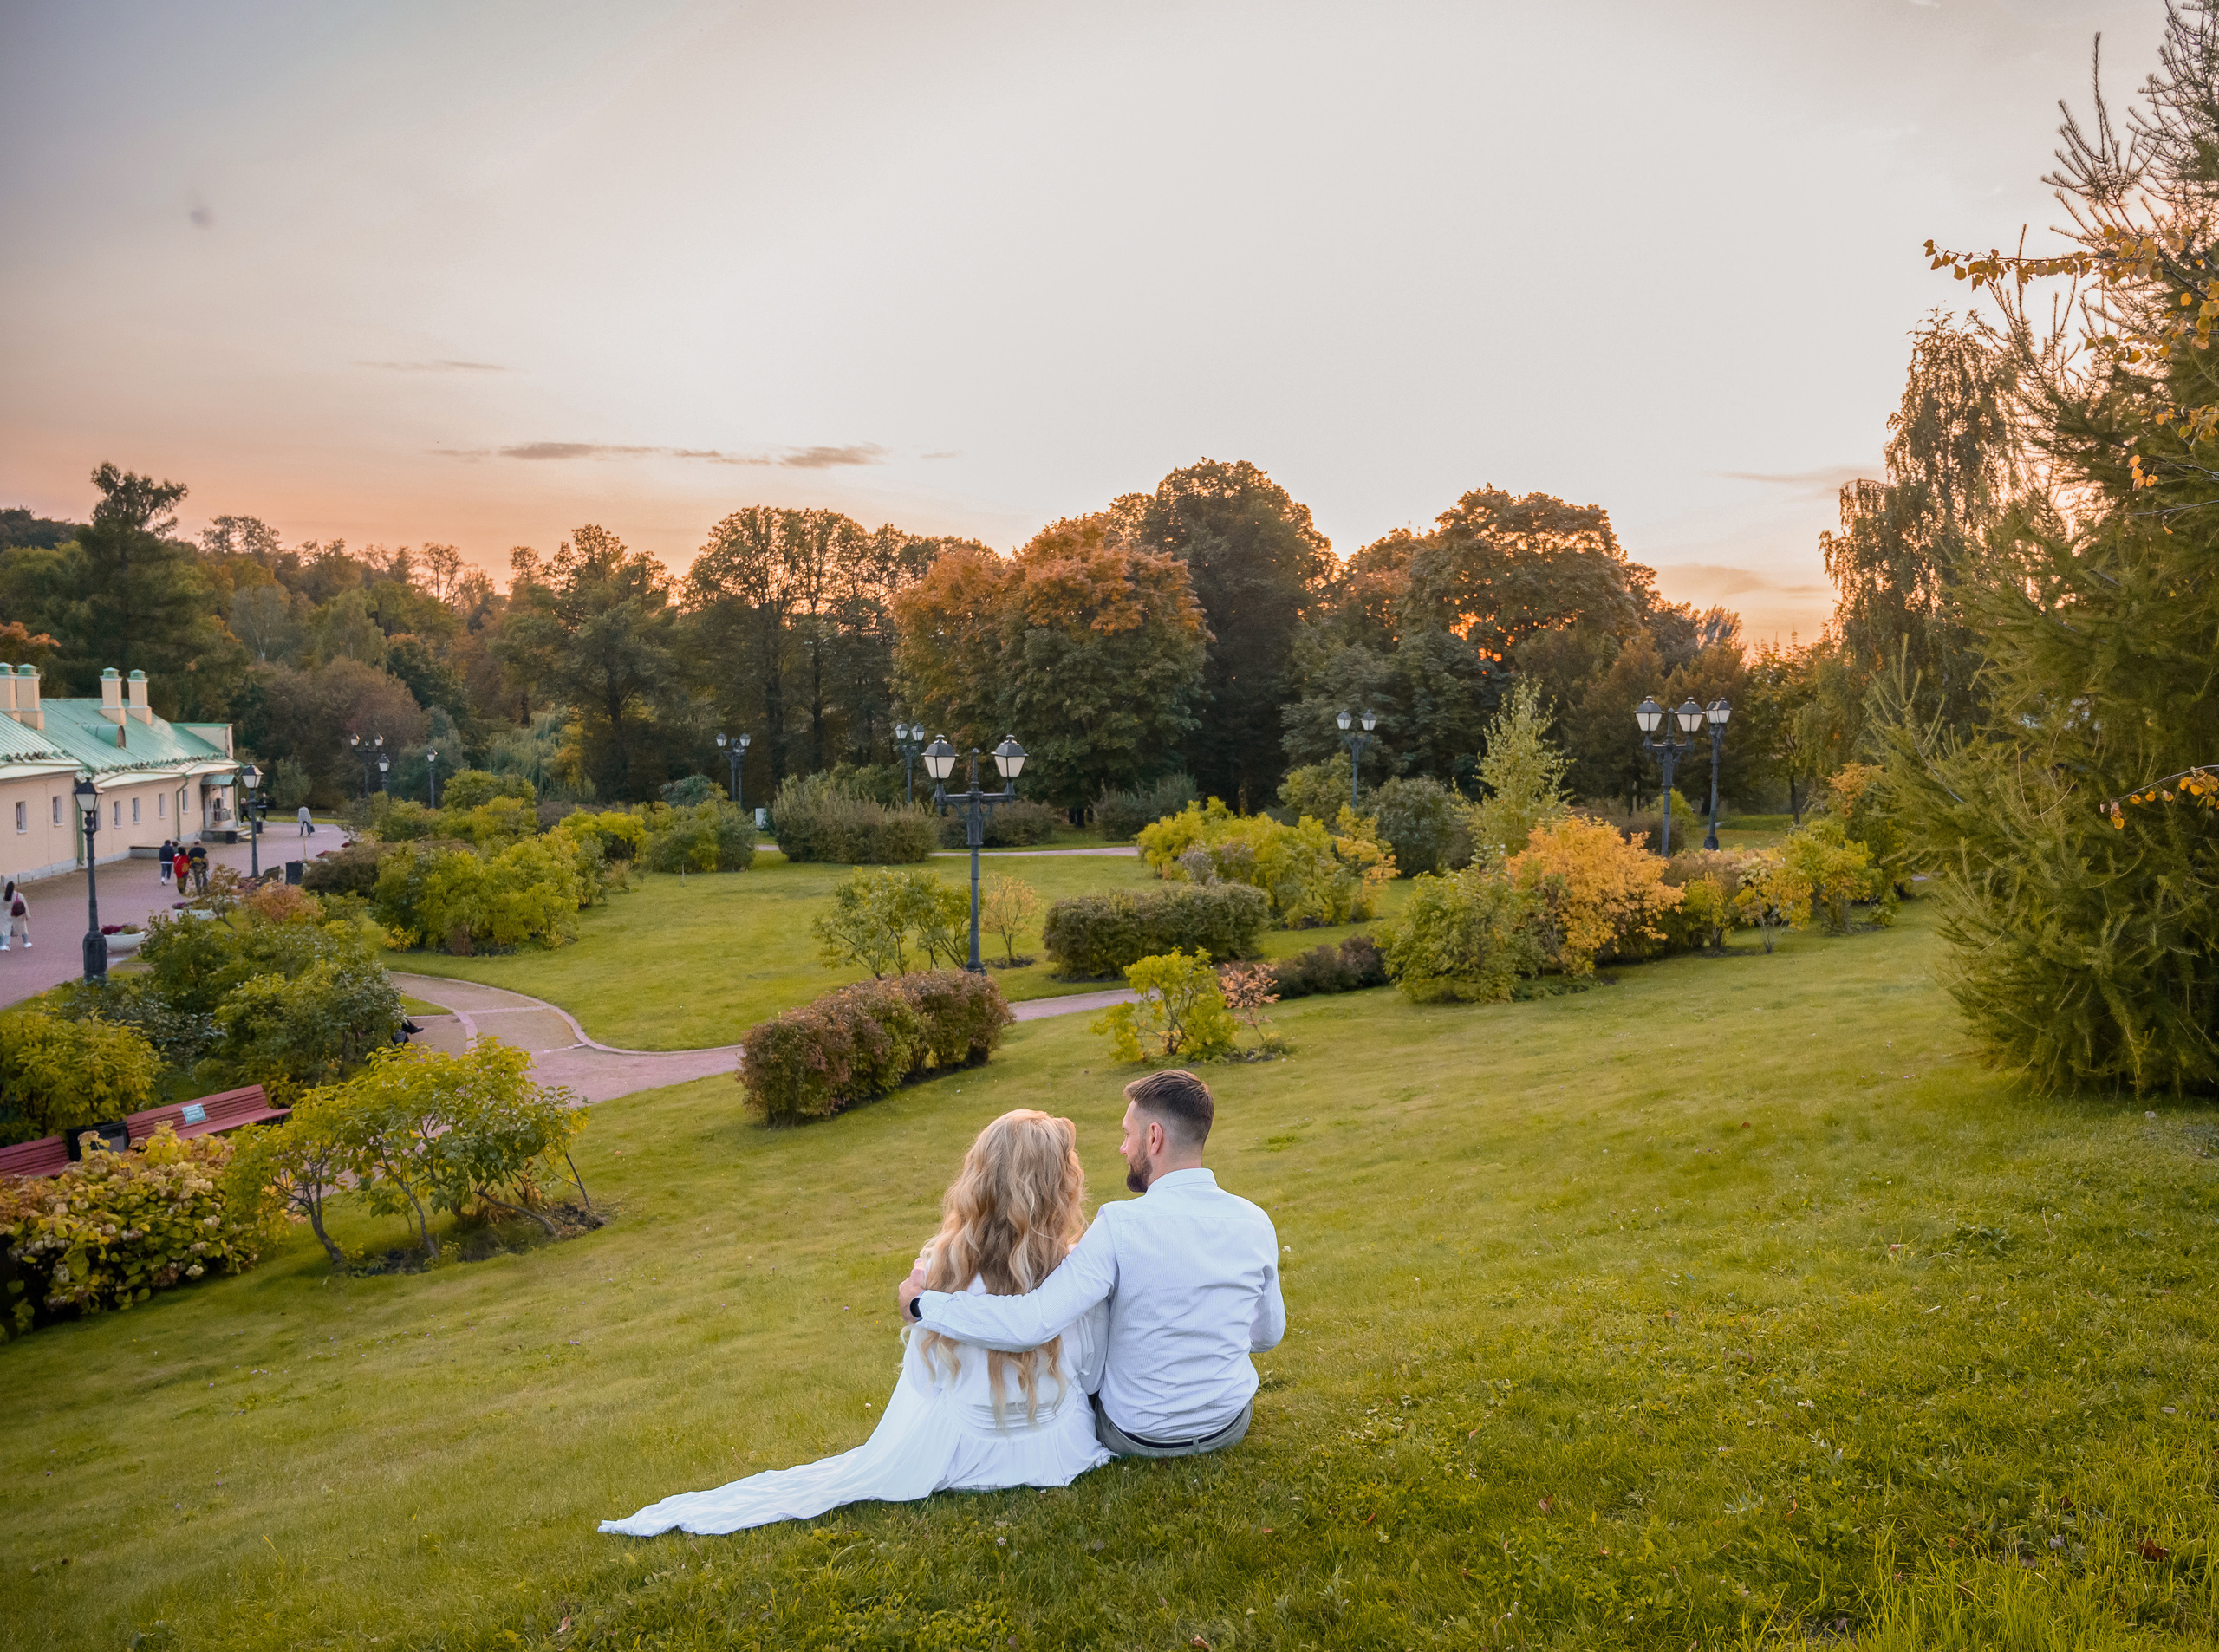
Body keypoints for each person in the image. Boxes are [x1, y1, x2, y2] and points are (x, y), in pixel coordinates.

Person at [601, 1109, 1111, 1538]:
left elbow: (924, 1382)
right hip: (1057, 1449)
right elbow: (1089, 1374)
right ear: (1059, 1191)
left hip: (965, 1453)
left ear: (981, 1180)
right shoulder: (1079, 1268)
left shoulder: (940, 1270)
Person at [900, 1070, 1284, 1459]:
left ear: (1153, 1138)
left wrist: (923, 1305)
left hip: (1137, 1436)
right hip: (1228, 1424)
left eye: (1127, 1134)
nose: (1122, 1148)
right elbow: (1268, 1335)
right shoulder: (1255, 1221)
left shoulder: (1118, 1226)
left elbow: (1032, 1322)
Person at [3, 881, 25, 950]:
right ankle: (26, 942)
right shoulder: (18, 895)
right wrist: (26, 915)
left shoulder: (5, 897)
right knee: (22, 927)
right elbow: (23, 905)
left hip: (8, 915)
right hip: (17, 914)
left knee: (7, 930)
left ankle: (7, 945)